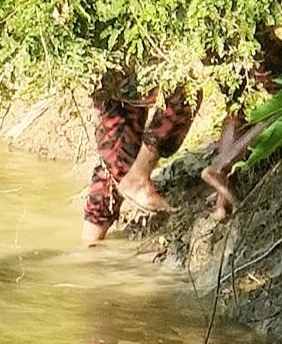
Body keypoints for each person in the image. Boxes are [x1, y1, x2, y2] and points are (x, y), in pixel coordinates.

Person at [82, 70, 200, 246]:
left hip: (108, 66)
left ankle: (89, 247)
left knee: (116, 162)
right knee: (186, 92)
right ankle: (138, 179)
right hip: (122, 70)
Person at [201, 27, 282, 220]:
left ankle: (221, 203)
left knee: (237, 103)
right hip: (246, 27)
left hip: (211, 26)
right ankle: (220, 168)